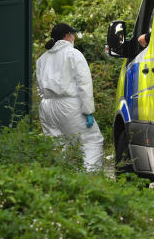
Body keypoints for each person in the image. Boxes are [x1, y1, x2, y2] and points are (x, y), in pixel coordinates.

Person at [36, 23, 104, 172]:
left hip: (47, 106)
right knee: (91, 141)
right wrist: (88, 110)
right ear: (67, 36)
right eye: (73, 35)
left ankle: (63, 181)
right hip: (69, 105)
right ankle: (90, 181)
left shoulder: (42, 59)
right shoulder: (73, 54)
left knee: (60, 147)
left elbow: (39, 86)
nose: (74, 38)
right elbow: (84, 84)